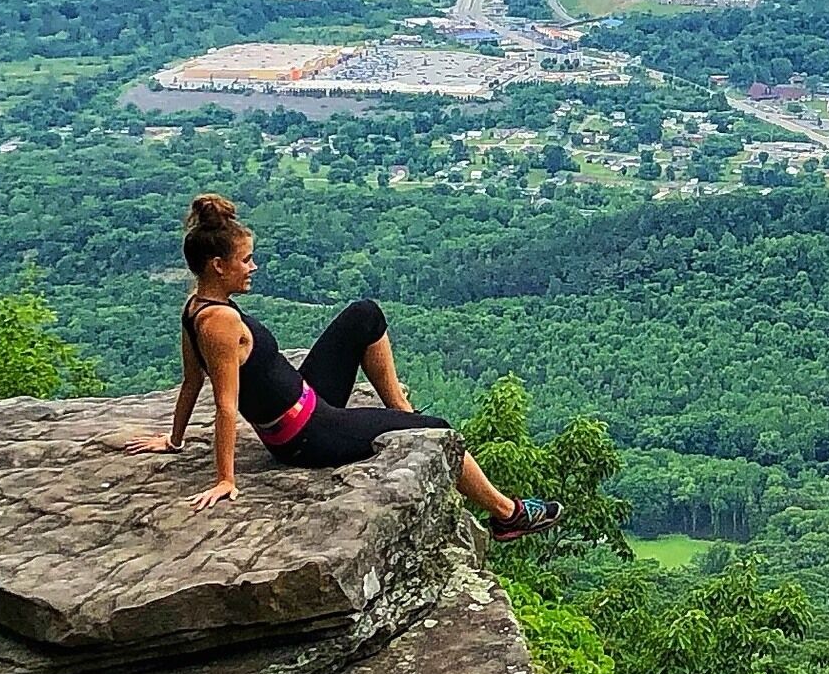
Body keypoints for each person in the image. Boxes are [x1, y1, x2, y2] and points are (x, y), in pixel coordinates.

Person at [141, 193, 564, 535]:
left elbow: (189, 381)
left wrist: (175, 440)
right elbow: (223, 405)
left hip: (308, 399)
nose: (253, 267)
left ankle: (398, 413)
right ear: (218, 265)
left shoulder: (197, 307)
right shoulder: (221, 321)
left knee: (364, 314)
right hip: (309, 434)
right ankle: (508, 515)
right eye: (245, 260)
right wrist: (226, 479)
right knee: (437, 431)